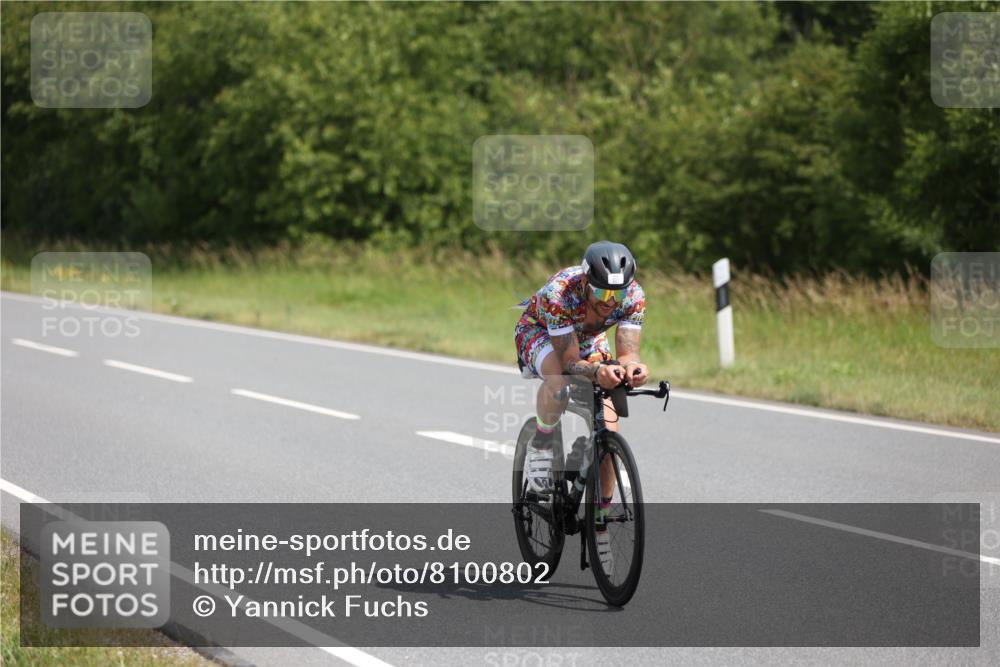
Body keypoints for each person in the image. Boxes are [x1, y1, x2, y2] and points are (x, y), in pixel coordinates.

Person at [513, 240, 648, 575]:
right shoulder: (559, 293)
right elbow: (571, 360)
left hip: (588, 339)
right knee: (558, 380)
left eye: (615, 296)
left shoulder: (632, 296)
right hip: (542, 332)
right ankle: (543, 447)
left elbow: (628, 350)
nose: (609, 303)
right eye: (602, 295)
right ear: (587, 282)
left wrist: (634, 369)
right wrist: (596, 369)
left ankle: (598, 522)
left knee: (609, 428)